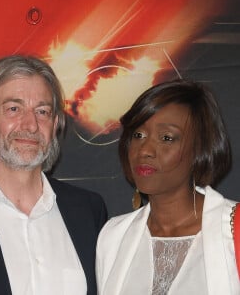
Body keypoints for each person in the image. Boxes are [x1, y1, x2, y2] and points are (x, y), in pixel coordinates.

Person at [0, 54, 107, 295]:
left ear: (55, 123)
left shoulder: (89, 211)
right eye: (13, 109)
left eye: (42, 111)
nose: (30, 125)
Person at [96, 79, 240, 294]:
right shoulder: (113, 236)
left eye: (166, 138)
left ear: (200, 150)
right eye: (138, 135)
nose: (145, 150)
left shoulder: (232, 230)